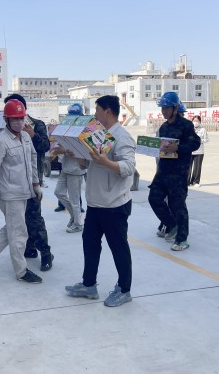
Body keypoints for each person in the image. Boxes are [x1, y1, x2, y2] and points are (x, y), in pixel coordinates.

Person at [65, 95, 136, 307]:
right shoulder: (98, 134)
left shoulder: (122, 137)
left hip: (114, 204)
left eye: (97, 110)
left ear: (107, 111)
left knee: (118, 248)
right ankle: (89, 285)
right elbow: (89, 164)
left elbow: (129, 168)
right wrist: (78, 155)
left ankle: (124, 289)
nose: (95, 114)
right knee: (90, 244)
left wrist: (106, 162)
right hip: (95, 203)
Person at [0, 99, 44, 284]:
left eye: (21, 118)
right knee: (19, 233)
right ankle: (21, 271)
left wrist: (36, 183)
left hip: (25, 191)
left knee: (12, 229)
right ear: (6, 120)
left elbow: (33, 159)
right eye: (14, 119)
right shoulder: (0, 141)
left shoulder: (26, 137)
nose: (19, 122)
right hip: (10, 194)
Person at [3, 94, 54, 271]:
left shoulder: (37, 124)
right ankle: (29, 248)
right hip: (13, 180)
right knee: (20, 217)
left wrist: (32, 135)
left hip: (32, 179)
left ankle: (46, 253)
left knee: (34, 218)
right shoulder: (8, 126)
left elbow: (45, 147)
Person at [148, 92, 200, 251]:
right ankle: (171, 225)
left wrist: (178, 147)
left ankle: (182, 239)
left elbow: (195, 144)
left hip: (178, 173)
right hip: (163, 170)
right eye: (162, 108)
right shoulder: (164, 127)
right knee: (154, 198)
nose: (163, 111)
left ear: (175, 108)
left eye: (166, 108)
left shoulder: (186, 125)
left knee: (177, 205)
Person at [53, 103, 87, 233]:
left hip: (76, 169)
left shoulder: (84, 131)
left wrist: (65, 150)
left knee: (74, 199)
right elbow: (59, 147)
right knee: (59, 192)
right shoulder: (66, 129)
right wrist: (59, 150)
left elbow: (83, 150)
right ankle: (74, 216)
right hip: (66, 166)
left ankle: (78, 224)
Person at [188, 115, 209, 187]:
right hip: (190, 151)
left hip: (199, 151)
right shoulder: (188, 129)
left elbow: (206, 140)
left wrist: (198, 140)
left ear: (200, 122)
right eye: (194, 121)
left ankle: (195, 181)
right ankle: (187, 182)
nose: (195, 122)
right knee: (188, 167)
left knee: (197, 167)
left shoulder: (203, 130)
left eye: (197, 121)